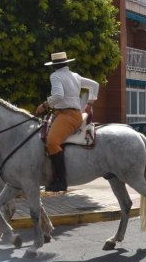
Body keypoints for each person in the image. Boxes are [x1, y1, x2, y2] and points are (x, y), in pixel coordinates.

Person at [36, 52, 99, 192]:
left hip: (67, 116)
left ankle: (61, 181)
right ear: (66, 63)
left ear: (54, 66)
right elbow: (95, 85)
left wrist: (45, 105)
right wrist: (90, 103)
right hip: (67, 114)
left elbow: (58, 95)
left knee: (52, 142)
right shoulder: (75, 76)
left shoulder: (55, 76)